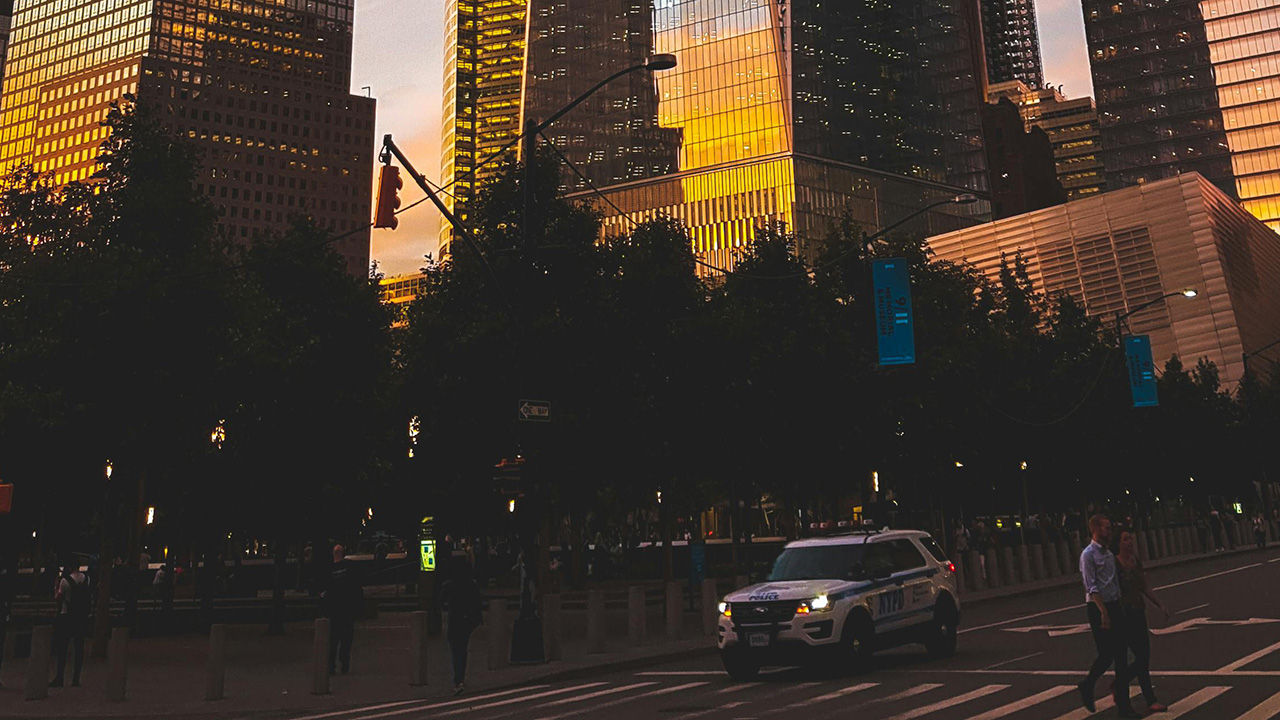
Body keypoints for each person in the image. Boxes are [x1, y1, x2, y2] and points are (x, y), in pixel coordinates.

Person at [1077, 515, 1139, 718]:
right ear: (1095, 530)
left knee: (1122, 657)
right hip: (1098, 608)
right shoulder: (1088, 555)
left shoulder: (1110, 555)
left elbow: (1114, 584)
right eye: (1106, 528)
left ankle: (1124, 706)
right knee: (1106, 654)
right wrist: (1103, 612)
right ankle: (1088, 684)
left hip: (1115, 606)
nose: (1110, 531)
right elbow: (1091, 586)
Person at [1117, 528, 1168, 713]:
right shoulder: (1114, 563)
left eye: (1130, 538)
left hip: (1138, 612)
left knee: (1144, 657)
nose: (1129, 542)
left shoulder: (1135, 560)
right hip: (1124, 616)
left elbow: (1144, 585)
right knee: (1140, 658)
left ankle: (1121, 684)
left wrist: (1159, 604)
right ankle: (1149, 699)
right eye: (1125, 539)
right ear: (1118, 543)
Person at [443, 561, 483, 695]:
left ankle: (458, 678)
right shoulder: (471, 584)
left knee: (456, 650)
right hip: (466, 620)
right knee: (462, 649)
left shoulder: (450, 585)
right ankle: (460, 677)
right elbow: (478, 603)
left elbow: (440, 599)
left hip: (455, 620)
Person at [51, 561, 91, 688]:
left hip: (66, 615)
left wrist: (55, 588)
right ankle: (76, 678)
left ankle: (60, 677)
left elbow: (59, 598)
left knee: (63, 647)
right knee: (79, 647)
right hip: (81, 617)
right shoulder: (86, 579)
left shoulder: (65, 581)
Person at [323, 544, 362, 675]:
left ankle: (331, 666)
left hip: (334, 610)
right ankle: (344, 664)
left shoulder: (328, 570)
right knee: (346, 640)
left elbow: (326, 590)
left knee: (333, 640)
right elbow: (357, 588)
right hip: (347, 609)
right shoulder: (351, 568)